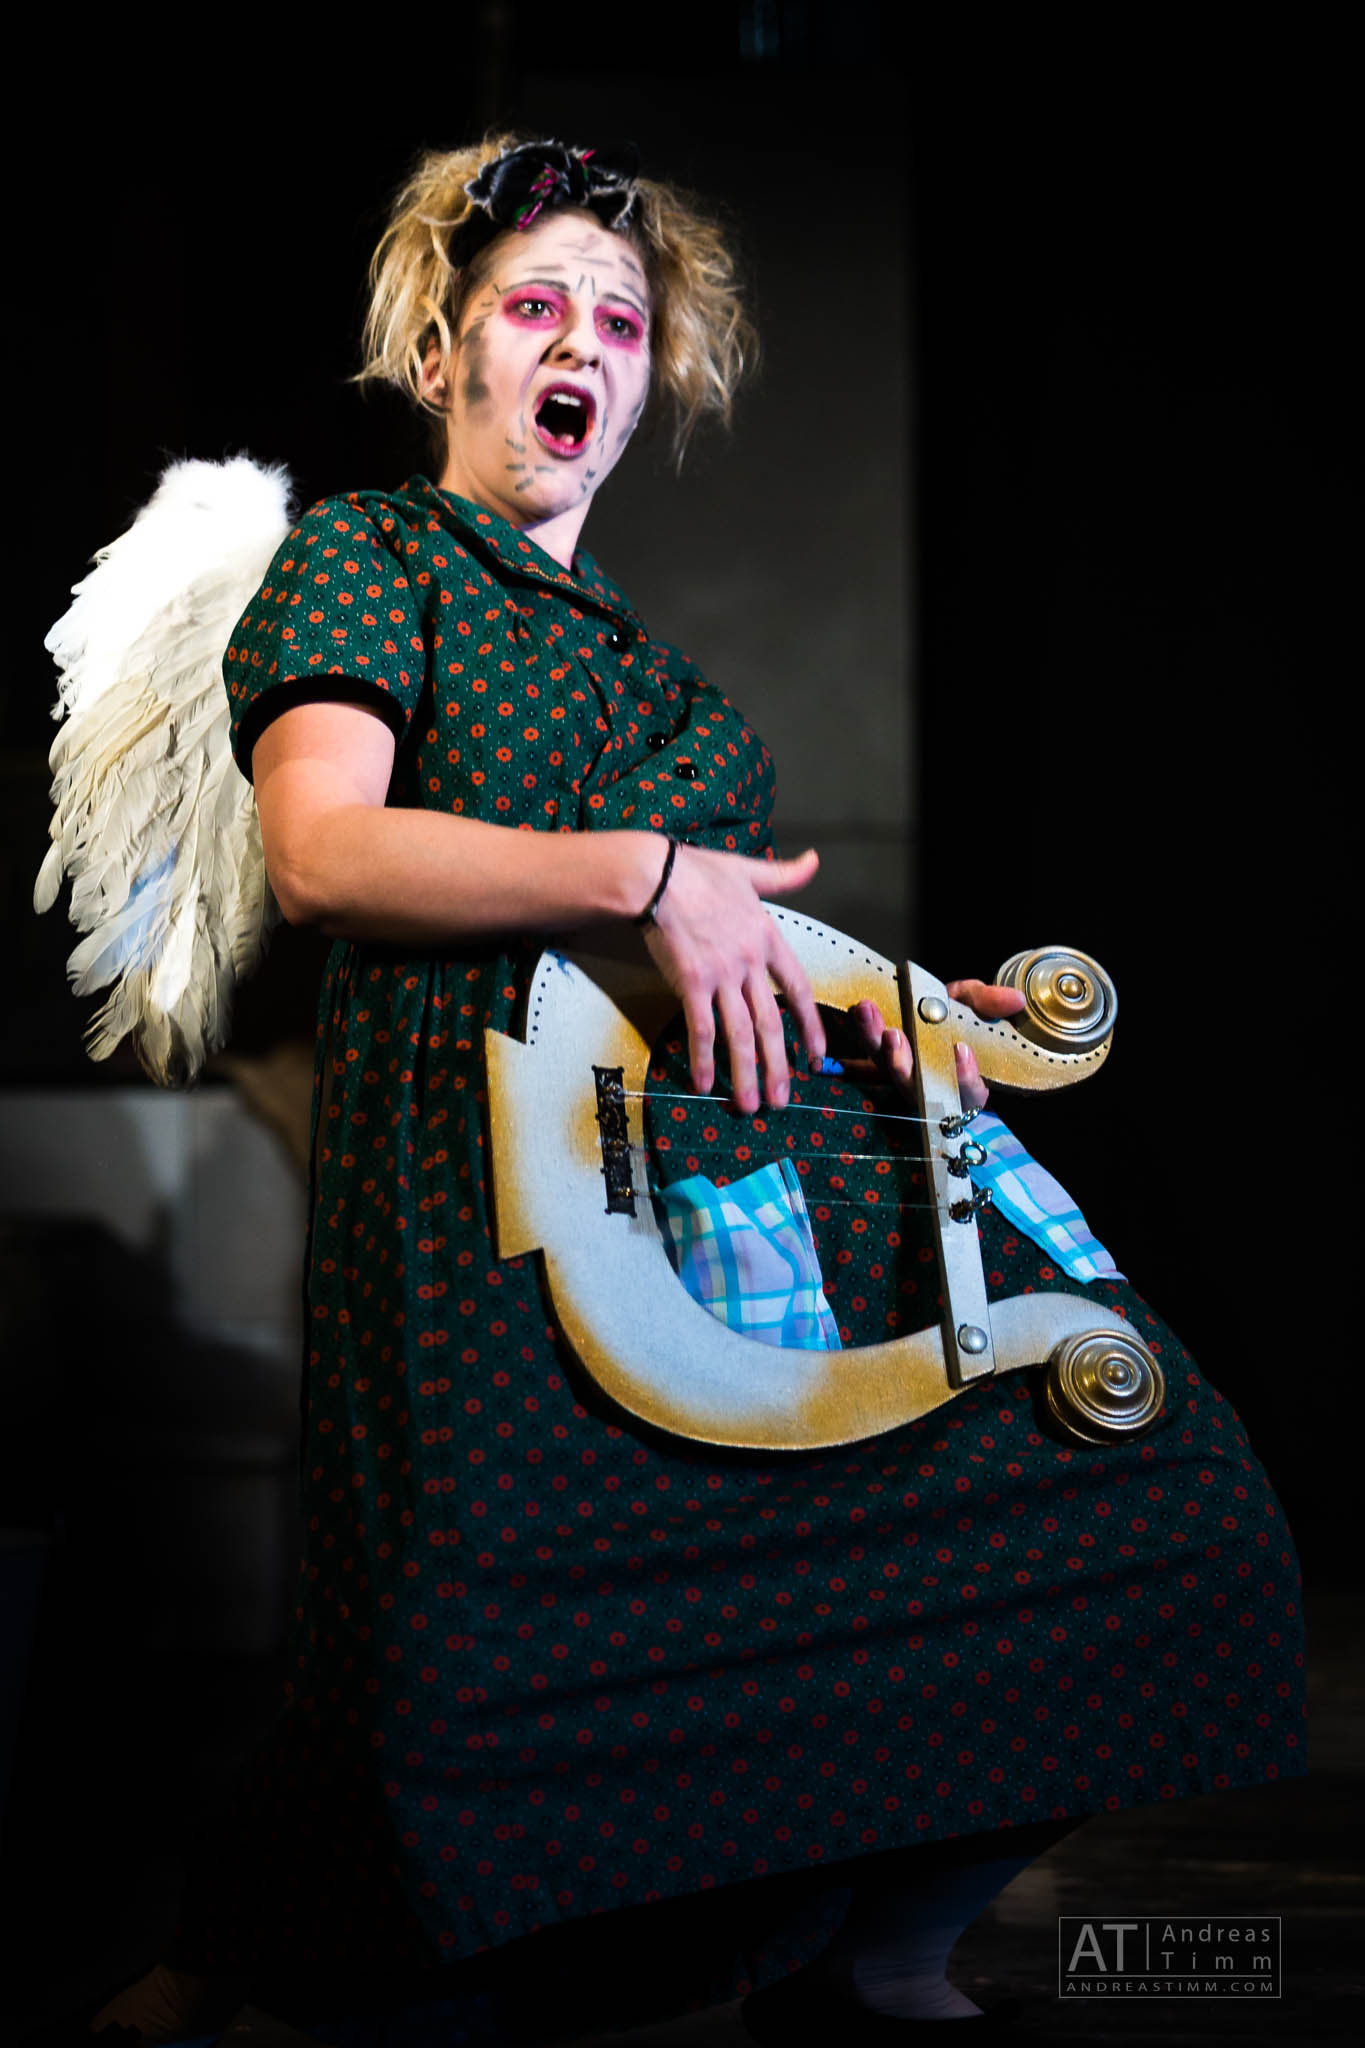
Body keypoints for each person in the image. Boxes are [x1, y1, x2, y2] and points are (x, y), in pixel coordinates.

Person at [84, 134, 1305, 2043]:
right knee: (459, 1702)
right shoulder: (370, 560)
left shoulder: (648, 671)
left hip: (743, 1224)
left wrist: (896, 1010)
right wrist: (644, 873)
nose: (583, 344)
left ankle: (880, 1944)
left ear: (652, 381)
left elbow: (707, 970)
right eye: (536, 306)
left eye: (621, 321)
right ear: (442, 354)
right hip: (493, 1217)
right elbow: (328, 855)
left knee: (1174, 1514)